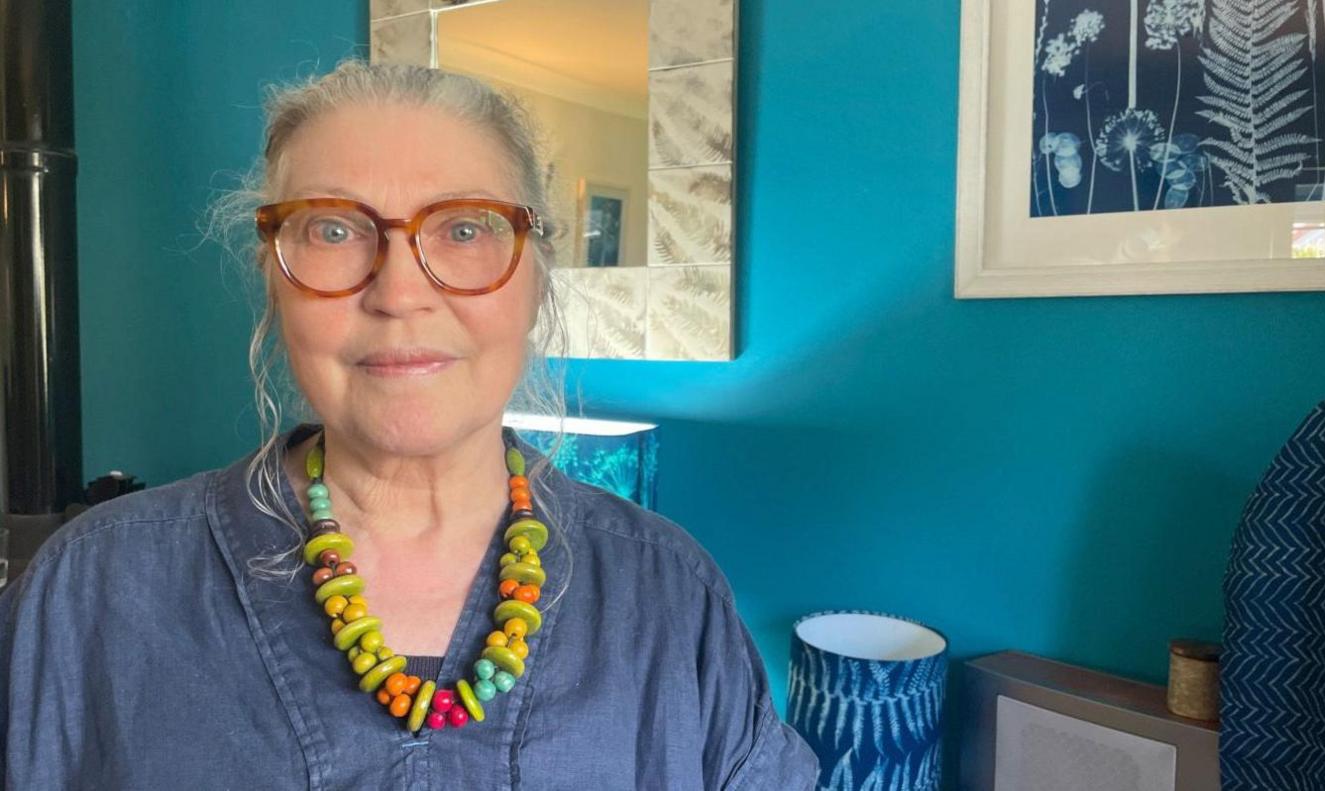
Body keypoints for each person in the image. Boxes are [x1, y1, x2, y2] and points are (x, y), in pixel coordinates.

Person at [0, 60, 819, 789]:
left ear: (537, 279)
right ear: (272, 278)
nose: (398, 293)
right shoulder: (92, 590)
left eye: (464, 229)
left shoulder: (669, 597)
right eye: (332, 230)